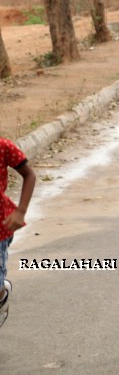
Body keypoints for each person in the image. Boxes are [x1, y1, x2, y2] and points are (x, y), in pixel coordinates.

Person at [0, 137, 36, 329]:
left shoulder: (4, 147)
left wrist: (20, 211)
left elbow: (29, 174)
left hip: (1, 227)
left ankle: (2, 294)